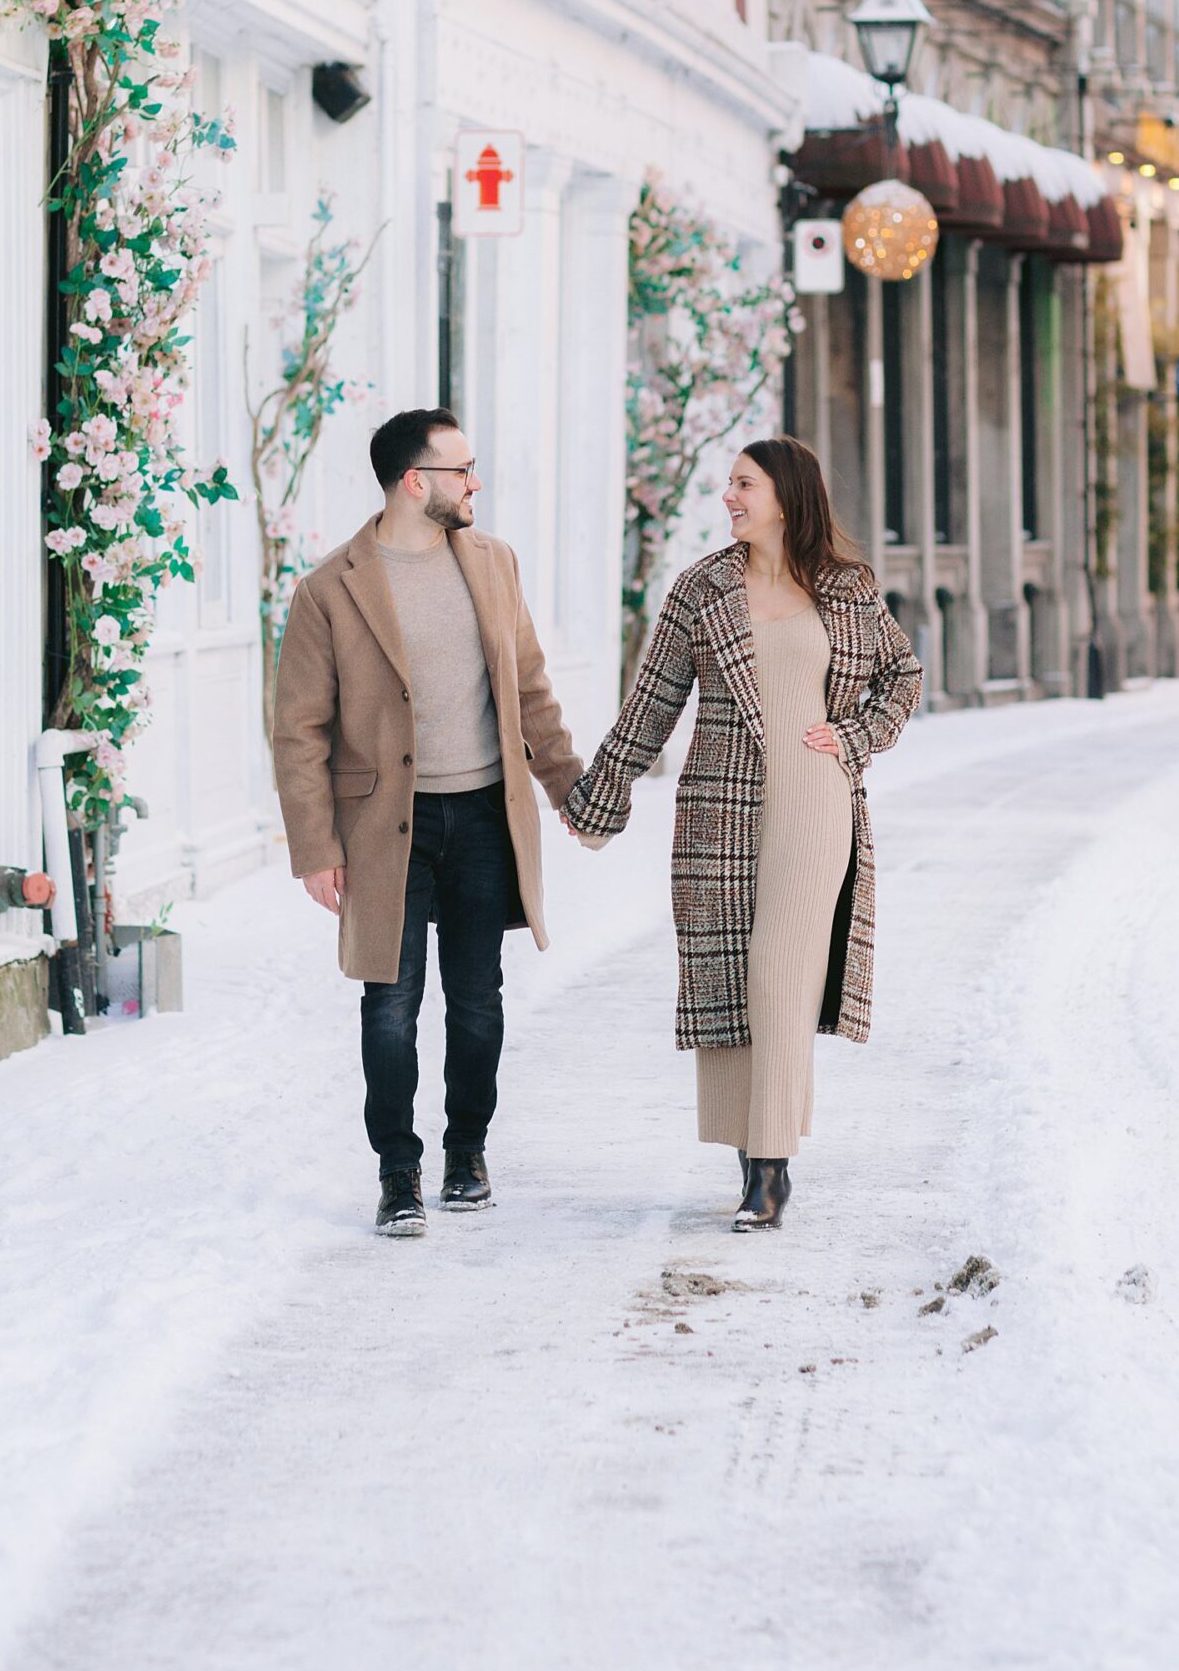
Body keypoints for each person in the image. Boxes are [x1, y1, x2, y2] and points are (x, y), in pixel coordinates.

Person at [564, 436, 921, 1232]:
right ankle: (749, 1147)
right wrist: (601, 793)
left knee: (779, 972)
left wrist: (856, 739)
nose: (729, 497)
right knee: (730, 976)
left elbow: (902, 674)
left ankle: (770, 1170)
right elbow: (652, 702)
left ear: (787, 498)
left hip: (816, 802)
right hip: (720, 808)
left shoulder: (845, 588)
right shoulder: (702, 589)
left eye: (744, 485)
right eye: (729, 484)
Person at [273, 409, 583, 1238]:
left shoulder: (492, 563)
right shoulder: (330, 589)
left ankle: (466, 1152)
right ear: (417, 482)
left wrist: (570, 791)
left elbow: (531, 692)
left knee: (478, 1000)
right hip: (384, 827)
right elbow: (298, 730)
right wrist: (314, 848)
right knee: (390, 1003)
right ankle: (397, 1172)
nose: (475, 483)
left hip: (484, 813)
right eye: (462, 470)